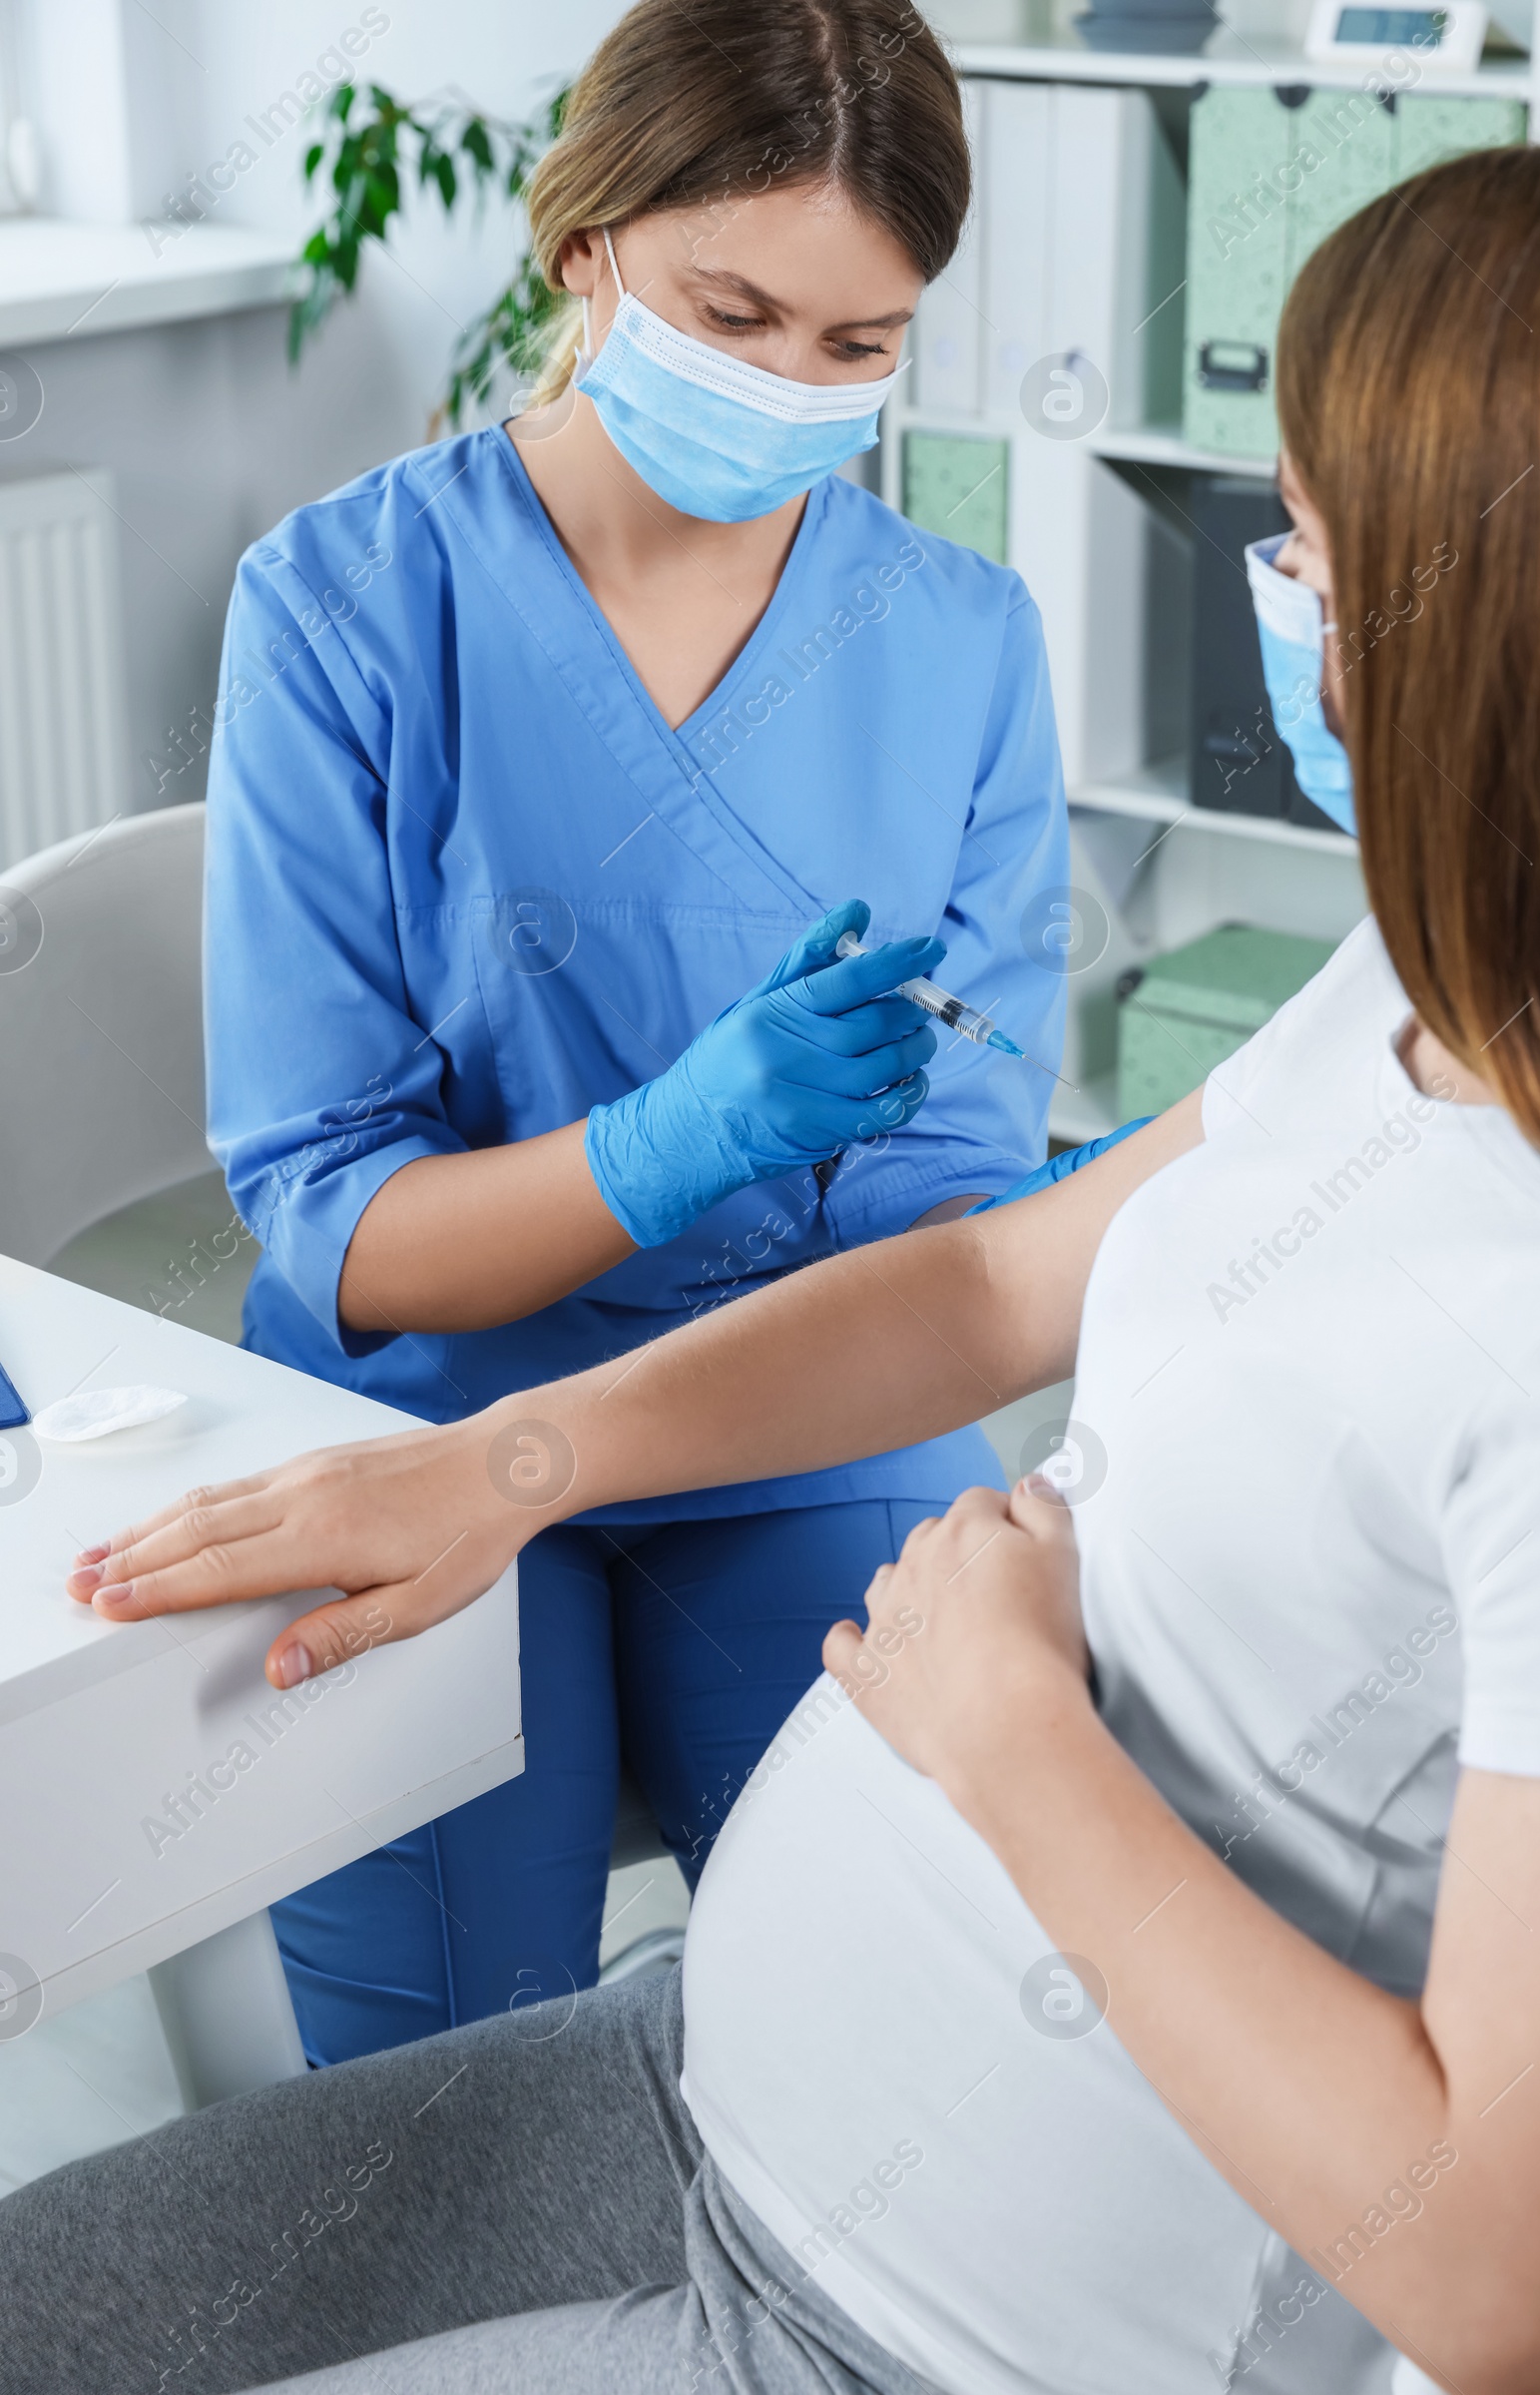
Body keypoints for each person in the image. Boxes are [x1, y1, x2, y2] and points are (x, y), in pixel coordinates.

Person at [29, 141, 1540, 2395]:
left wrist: (1007, 1738)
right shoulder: (1412, 987)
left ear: (1468, 639)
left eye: (1308, 555)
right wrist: (510, 1462)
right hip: (684, 2073)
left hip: (904, 2325)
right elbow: (990, 1287)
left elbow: (1500, 2291)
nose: (1280, 600)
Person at [200, 0, 1082, 2064]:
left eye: (853, 348)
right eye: (732, 309)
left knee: (914, 2038)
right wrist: (674, 1141)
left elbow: (951, 1215)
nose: (789, 386)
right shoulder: (344, 604)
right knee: (446, 2107)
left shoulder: (955, 642)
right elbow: (332, 1214)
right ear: (580, 248)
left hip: (802, 1412)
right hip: (415, 1412)